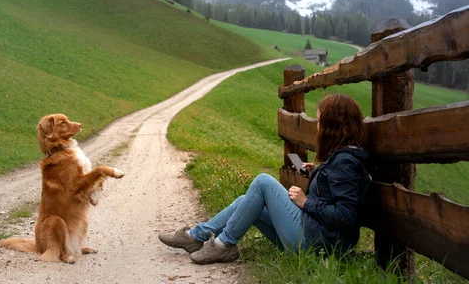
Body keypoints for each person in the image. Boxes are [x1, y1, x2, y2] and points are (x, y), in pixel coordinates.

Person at [159, 93, 372, 264]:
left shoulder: (346, 162)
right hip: (314, 237)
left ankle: (222, 245)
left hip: (316, 244)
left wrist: (306, 203)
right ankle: (196, 237)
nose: (317, 126)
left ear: (332, 126)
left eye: (319, 121)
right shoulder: (342, 159)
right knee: (245, 201)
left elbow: (346, 215)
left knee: (263, 181)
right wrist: (317, 172)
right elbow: (335, 193)